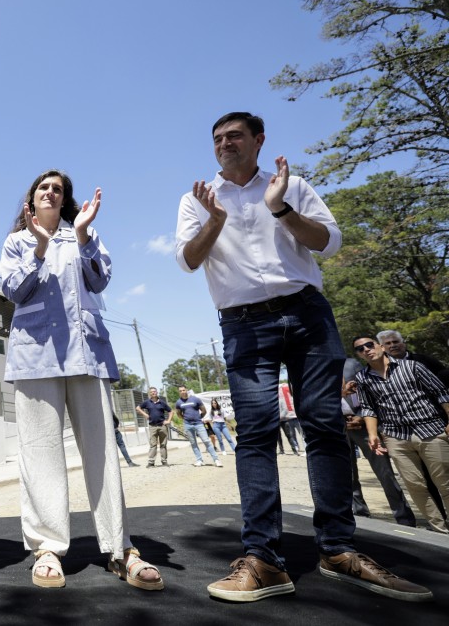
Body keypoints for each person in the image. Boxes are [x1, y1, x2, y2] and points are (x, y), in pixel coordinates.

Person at [175, 111, 431, 602]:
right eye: (217, 139)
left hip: (307, 313)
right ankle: (264, 559)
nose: (224, 144)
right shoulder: (197, 199)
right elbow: (188, 259)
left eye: (234, 136)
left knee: (324, 426)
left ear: (258, 141)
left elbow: (330, 243)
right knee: (255, 434)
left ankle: (338, 548)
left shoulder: (291, 186)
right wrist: (216, 221)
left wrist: (280, 210)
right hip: (244, 324)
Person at [1, 169, 163, 592]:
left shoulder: (83, 236)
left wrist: (86, 234)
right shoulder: (17, 242)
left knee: (103, 453)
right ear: (31, 200)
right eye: (44, 188)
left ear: (66, 200)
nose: (51, 192)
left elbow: (101, 278)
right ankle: (47, 548)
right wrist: (38, 249)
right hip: (36, 357)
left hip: (87, 354)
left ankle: (119, 547)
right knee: (40, 455)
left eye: (58, 189)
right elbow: (14, 291)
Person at [352, 335, 449, 534]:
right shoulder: (362, 378)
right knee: (415, 486)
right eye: (361, 349)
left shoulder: (412, 367)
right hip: (396, 436)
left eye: (369, 345)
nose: (367, 350)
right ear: (359, 355)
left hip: (431, 430)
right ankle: (440, 531)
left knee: (445, 482)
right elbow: (369, 408)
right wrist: (373, 435)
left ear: (380, 346)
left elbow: (442, 393)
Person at [376, 330, 449, 522]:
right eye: (388, 343)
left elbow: (444, 391)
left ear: (403, 343)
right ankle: (439, 523)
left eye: (396, 341)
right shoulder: (376, 371)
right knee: (421, 481)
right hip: (402, 435)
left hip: (436, 428)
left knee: (444, 476)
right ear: (382, 347)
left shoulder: (425, 362)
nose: (393, 346)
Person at [340, 376, 416, 527]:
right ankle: (360, 514)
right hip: (339, 427)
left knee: (385, 473)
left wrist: (362, 417)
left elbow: (371, 394)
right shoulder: (317, 369)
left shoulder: (352, 365)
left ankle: (404, 517)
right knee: (348, 475)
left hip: (365, 427)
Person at [175, 386, 222, 467]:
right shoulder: (178, 402)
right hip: (188, 425)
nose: (182, 392)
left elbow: (204, 411)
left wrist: (198, 418)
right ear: (179, 392)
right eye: (180, 391)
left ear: (186, 390)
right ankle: (199, 460)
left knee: (206, 441)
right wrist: (185, 419)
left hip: (198, 424)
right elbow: (179, 414)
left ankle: (216, 460)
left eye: (183, 390)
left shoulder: (195, 399)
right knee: (193, 443)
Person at [136, 387, 171, 467]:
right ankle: (151, 462)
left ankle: (164, 461)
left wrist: (168, 421)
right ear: (149, 393)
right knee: (153, 445)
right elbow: (138, 408)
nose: (153, 393)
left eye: (154, 391)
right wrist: (145, 414)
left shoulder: (162, 403)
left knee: (163, 444)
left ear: (157, 392)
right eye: (151, 392)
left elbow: (171, 411)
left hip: (162, 426)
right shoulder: (147, 402)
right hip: (152, 426)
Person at [278, 386, 303, 456]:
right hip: (277, 421)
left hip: (284, 420)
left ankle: (295, 450)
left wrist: (278, 417)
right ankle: (281, 450)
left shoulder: (281, 400)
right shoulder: (272, 402)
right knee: (278, 438)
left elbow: (285, 410)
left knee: (289, 435)